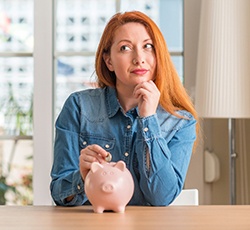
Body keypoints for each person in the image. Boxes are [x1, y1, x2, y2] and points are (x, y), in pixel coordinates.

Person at [50, 11, 199, 206]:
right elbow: (59, 193)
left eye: (148, 46)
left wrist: (148, 120)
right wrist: (83, 177)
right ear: (108, 61)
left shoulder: (180, 122)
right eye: (125, 48)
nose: (139, 58)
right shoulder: (79, 107)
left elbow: (162, 198)